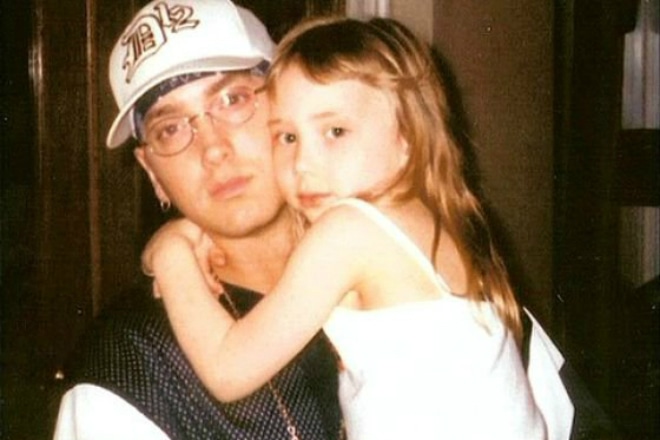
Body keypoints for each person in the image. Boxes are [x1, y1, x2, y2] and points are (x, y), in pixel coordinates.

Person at [143, 16, 573, 440]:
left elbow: (227, 369)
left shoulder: (348, 232)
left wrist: (170, 252)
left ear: (407, 139)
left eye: (335, 131)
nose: (303, 162)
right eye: (287, 137)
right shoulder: (424, 223)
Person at [52, 1, 343, 439]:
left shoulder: (395, 248)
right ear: (153, 173)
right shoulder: (130, 368)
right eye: (170, 128)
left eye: (232, 99)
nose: (212, 149)